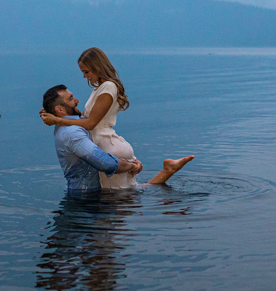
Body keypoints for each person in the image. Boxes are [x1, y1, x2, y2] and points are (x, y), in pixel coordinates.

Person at [42, 49, 194, 189]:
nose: (84, 76)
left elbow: (90, 123)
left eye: (86, 71)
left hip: (105, 145)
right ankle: (168, 170)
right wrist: (52, 114)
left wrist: (57, 120)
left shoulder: (108, 87)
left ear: (97, 67)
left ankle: (168, 172)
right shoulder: (101, 88)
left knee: (121, 198)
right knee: (133, 190)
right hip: (109, 142)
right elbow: (87, 118)